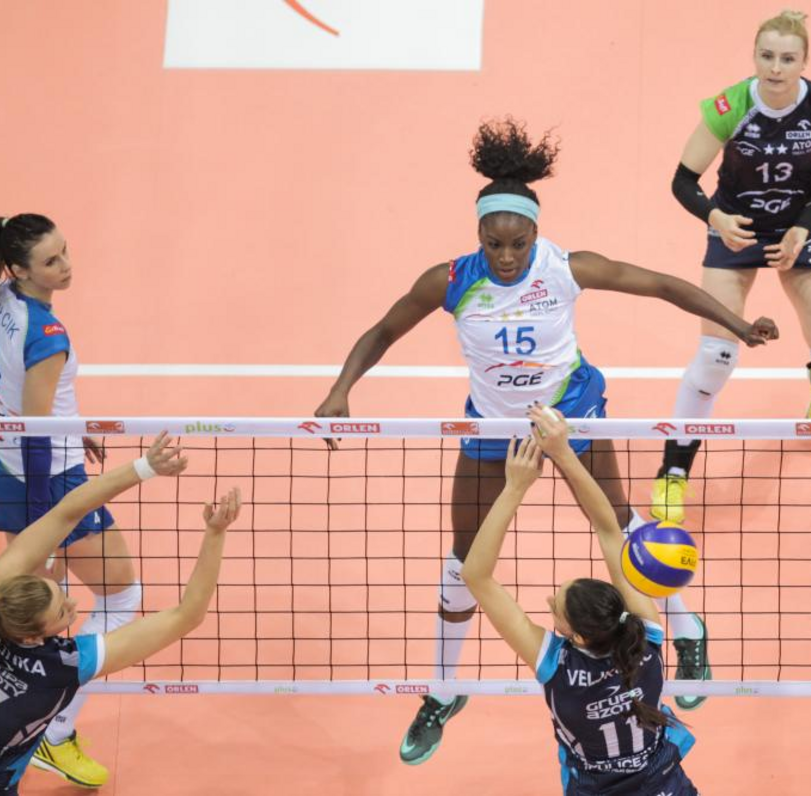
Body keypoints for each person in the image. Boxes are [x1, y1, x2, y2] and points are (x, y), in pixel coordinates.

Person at [315, 118, 777, 763]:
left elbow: (664, 286)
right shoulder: (450, 281)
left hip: (572, 416)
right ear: (479, 235)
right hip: (492, 428)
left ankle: (687, 629)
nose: (506, 256)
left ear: (536, 234)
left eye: (518, 243)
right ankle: (443, 690)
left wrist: (738, 325)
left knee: (623, 530)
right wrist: (341, 389)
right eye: (494, 243)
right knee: (462, 561)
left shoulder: (564, 268)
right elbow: (382, 332)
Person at [0, 432, 241, 796]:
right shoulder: (65, 666)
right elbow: (187, 615)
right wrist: (215, 534)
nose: (73, 606)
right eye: (63, 610)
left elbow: (65, 512)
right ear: (35, 636)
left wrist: (144, 467)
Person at [0, 213, 138, 787]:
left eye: (65, 251)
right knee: (121, 594)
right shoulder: (47, 333)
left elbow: (3, 393)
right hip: (47, 478)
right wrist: (48, 515)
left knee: (37, 615)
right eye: (52, 261)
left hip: (4, 464)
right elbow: (37, 430)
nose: (66, 265)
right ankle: (55, 730)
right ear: (20, 269)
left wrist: (73, 426)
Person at [651, 9, 811, 524]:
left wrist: (803, 227)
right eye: (767, 56)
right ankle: (673, 471)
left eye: (787, 58)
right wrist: (715, 217)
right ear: (755, 57)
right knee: (714, 358)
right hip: (736, 229)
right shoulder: (730, 107)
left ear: (804, 62)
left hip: (799, 230)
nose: (776, 68)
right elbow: (683, 180)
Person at [462, 406, 697, 795]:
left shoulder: (558, 667)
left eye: (555, 610)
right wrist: (565, 453)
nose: (549, 600)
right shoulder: (646, 637)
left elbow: (475, 576)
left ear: (578, 637)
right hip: (666, 786)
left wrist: (515, 487)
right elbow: (609, 528)